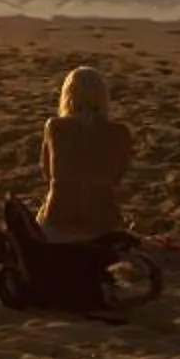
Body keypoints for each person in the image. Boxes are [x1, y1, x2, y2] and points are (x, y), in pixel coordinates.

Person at [37, 65, 134, 243]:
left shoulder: (54, 127)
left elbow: (47, 173)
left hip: (59, 223)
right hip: (103, 226)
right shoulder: (120, 132)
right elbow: (117, 177)